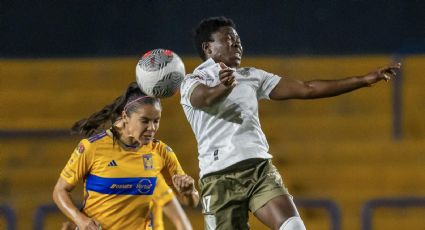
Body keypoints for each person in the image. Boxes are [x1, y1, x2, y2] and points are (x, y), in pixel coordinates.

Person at [180, 16, 401, 230]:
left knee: (293, 226)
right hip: (219, 178)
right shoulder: (193, 81)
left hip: (258, 170)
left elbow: (307, 88)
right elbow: (205, 98)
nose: (237, 42)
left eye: (238, 38)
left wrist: (362, 80)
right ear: (208, 48)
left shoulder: (251, 76)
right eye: (228, 38)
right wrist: (224, 87)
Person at [53, 82, 199, 230]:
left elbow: (192, 202)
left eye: (156, 121)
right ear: (125, 116)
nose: (152, 128)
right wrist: (81, 220)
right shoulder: (92, 147)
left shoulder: (161, 151)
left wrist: (188, 192)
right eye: (145, 121)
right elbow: (59, 191)